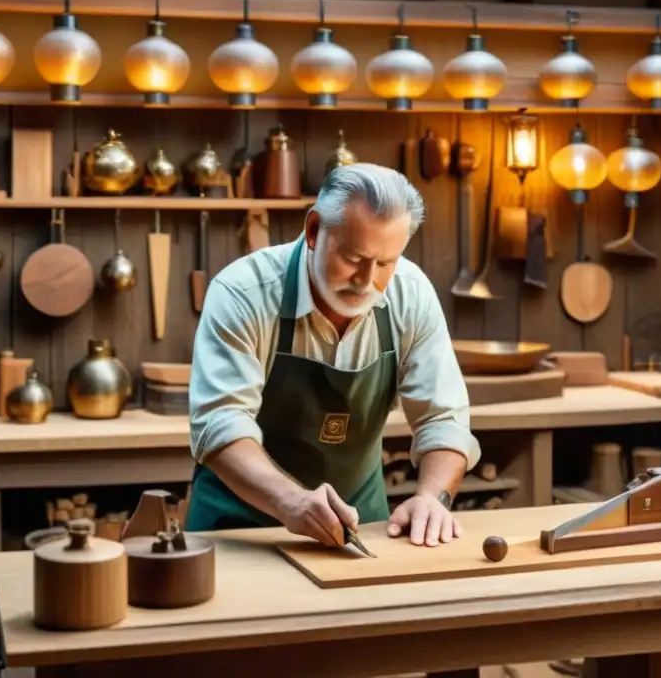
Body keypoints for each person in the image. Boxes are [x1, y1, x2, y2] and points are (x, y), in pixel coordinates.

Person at [185, 162, 481, 549]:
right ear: (313, 230)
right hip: (236, 530)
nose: (366, 281)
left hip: (359, 533)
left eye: (386, 263)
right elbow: (220, 423)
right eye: (353, 258)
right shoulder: (244, 292)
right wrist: (291, 502)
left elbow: (443, 418)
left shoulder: (411, 295)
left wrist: (432, 498)